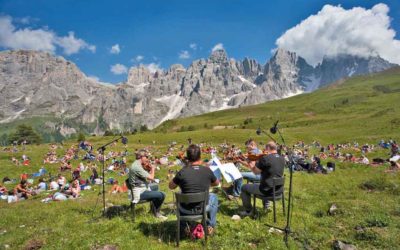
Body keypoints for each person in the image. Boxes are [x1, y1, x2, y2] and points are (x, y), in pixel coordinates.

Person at [169, 144, 219, 235]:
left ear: (187, 158)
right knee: (214, 197)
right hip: (202, 207)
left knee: (181, 195)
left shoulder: (182, 172)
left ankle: (185, 227)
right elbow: (217, 183)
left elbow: (171, 186)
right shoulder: (207, 170)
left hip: (185, 208)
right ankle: (209, 225)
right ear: (200, 156)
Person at [239, 141, 285, 217]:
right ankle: (266, 206)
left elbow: (256, 172)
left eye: (265, 149)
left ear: (268, 148)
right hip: (279, 190)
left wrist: (249, 162)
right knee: (265, 182)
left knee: (244, 187)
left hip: (267, 191)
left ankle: (248, 211)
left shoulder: (265, 158)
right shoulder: (282, 158)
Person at [128, 150, 167, 220]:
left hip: (140, 188)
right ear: (141, 157)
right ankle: (156, 213)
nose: (147, 158)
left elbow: (144, 176)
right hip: (139, 192)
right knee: (162, 195)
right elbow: (151, 178)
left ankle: (153, 210)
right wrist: (153, 168)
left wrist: (148, 169)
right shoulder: (136, 167)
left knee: (156, 186)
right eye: (146, 157)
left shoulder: (136, 164)